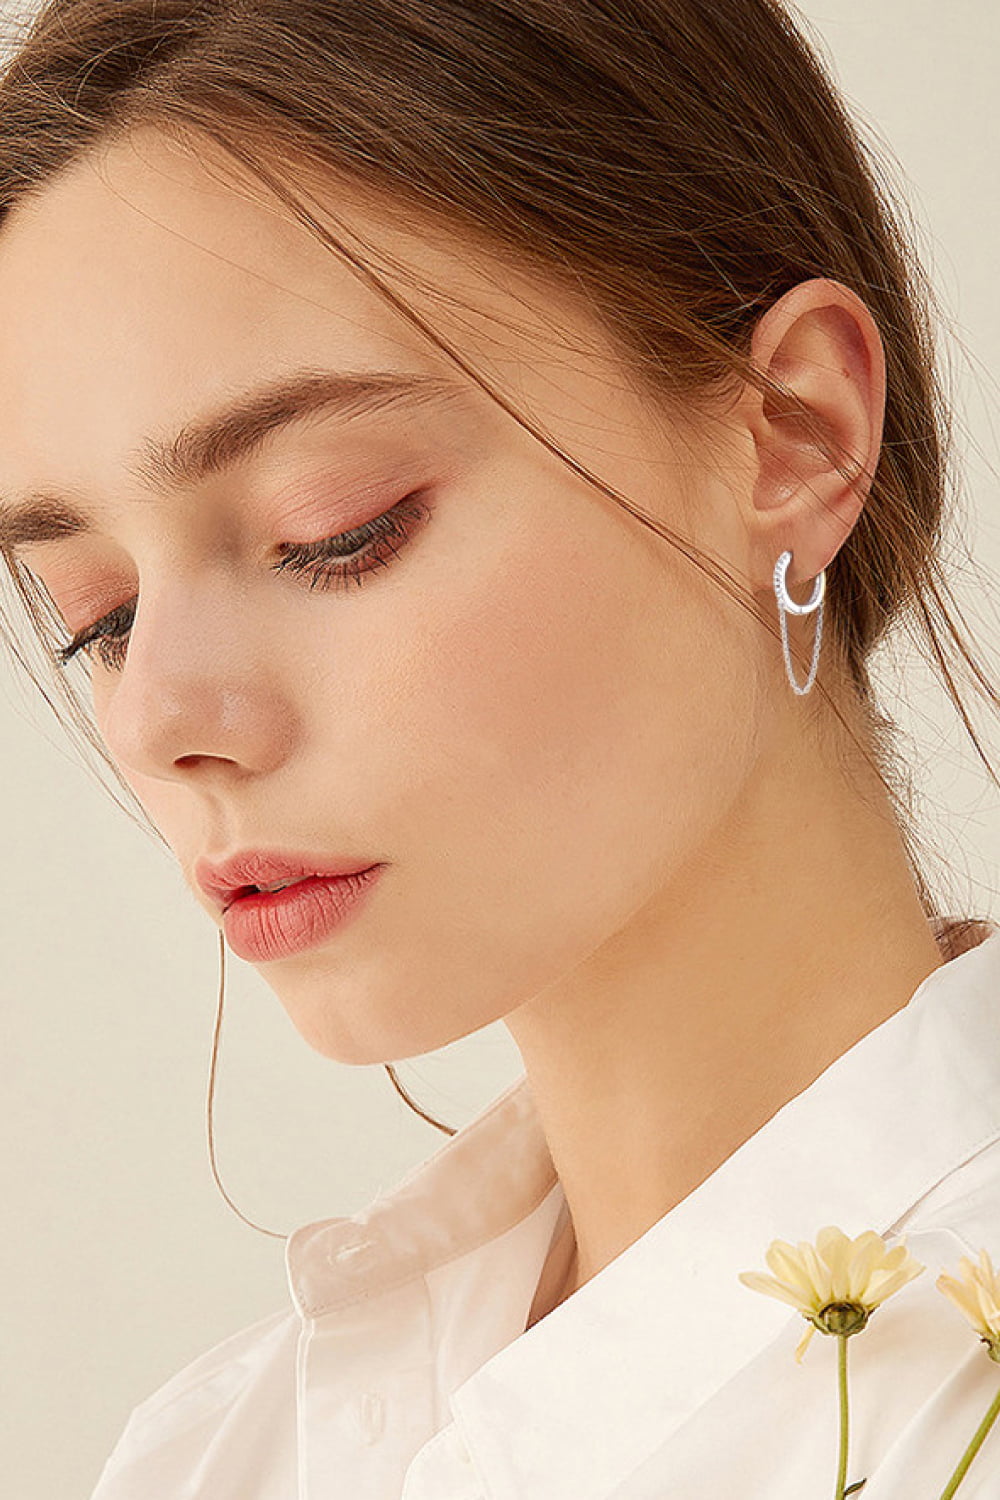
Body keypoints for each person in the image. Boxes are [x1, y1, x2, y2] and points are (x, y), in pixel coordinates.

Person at [0, 0, 997, 1496]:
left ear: (794, 431)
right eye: (100, 616)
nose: (156, 716)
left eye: (334, 529)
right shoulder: (214, 1458)